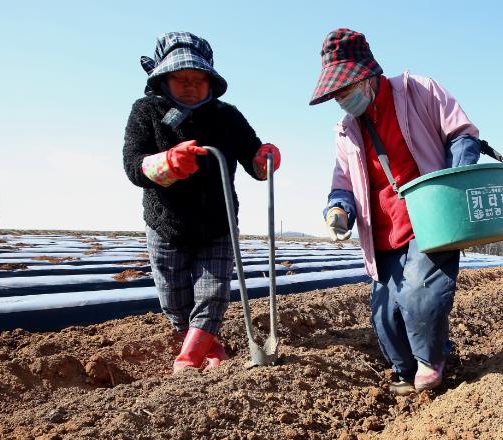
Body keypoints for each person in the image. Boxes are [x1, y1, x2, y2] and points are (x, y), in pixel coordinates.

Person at [309, 28, 481, 395]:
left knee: (421, 293)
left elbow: (463, 136)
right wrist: (338, 210)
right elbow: (342, 183)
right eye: (335, 94)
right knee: (386, 314)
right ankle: (409, 371)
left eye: (345, 88)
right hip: (383, 230)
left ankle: (431, 364)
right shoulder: (346, 131)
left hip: (431, 220)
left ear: (368, 75)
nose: (341, 99)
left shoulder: (419, 92)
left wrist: (452, 185)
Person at [123, 31, 281, 373]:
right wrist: (165, 163)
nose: (191, 86)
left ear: (211, 81)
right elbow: (132, 164)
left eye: (198, 79)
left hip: (217, 223)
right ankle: (211, 348)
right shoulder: (146, 111)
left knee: (212, 292)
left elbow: (251, 157)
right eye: (181, 79)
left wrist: (263, 158)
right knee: (174, 301)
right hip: (167, 224)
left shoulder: (227, 116)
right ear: (163, 79)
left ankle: (189, 358)